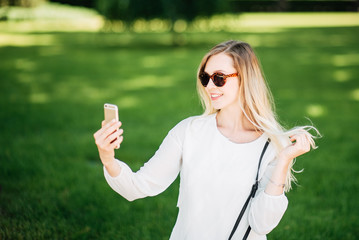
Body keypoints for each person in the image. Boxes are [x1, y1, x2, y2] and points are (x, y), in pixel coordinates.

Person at [93, 40, 319, 240]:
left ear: (245, 79)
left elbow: (262, 223)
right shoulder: (189, 131)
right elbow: (137, 187)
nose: (209, 85)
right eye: (204, 77)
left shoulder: (271, 146)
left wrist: (284, 161)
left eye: (219, 78)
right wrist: (107, 157)